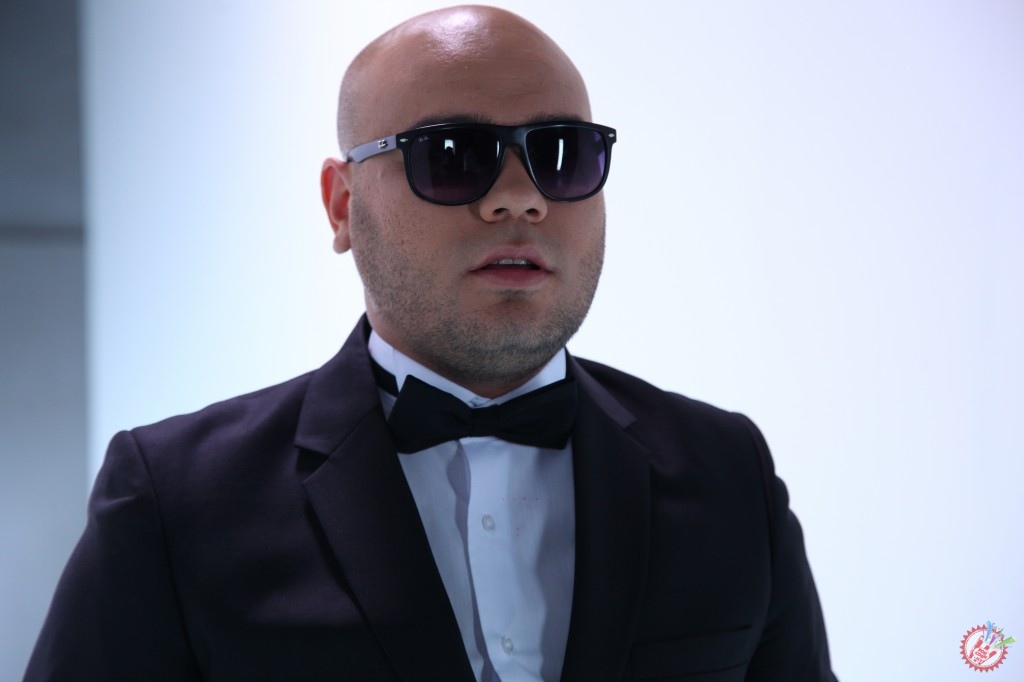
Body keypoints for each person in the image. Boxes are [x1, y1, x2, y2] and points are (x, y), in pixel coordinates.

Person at [25, 5, 836, 681]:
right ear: (342, 205)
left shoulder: (730, 474)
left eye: (561, 155)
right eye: (453, 156)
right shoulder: (173, 502)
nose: (519, 198)